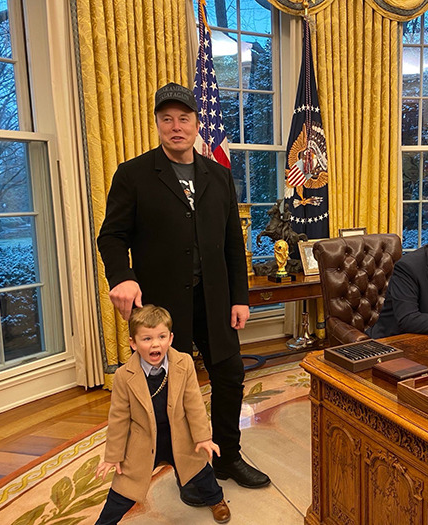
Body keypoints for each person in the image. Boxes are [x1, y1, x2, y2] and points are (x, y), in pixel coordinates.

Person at [97, 83, 270, 504]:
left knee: (229, 376)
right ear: (157, 124)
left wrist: (239, 297)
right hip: (161, 310)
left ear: (197, 123)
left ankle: (228, 456)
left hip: (213, 301)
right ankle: (188, 470)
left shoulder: (220, 176)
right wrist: (122, 276)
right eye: (167, 119)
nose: (176, 127)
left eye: (184, 118)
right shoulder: (133, 174)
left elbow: (233, 243)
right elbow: (111, 237)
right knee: (170, 395)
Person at [95, 306, 230, 524]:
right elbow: (118, 418)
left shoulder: (184, 363)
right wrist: (113, 456)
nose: (155, 344)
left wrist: (203, 437)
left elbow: (194, 404)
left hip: (180, 434)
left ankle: (216, 500)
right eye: (147, 338)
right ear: (133, 343)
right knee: (124, 486)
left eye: (161, 337)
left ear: (170, 338)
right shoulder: (123, 376)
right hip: (145, 438)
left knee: (201, 470)